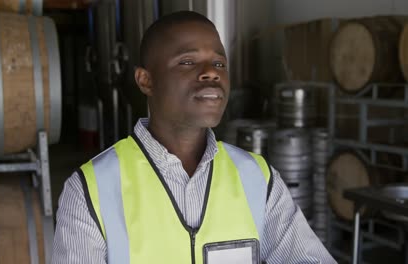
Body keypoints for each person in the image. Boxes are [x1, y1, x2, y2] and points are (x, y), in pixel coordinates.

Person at [52, 11, 336, 264]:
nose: (211, 73)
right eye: (187, 61)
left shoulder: (257, 178)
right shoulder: (90, 191)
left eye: (220, 64)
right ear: (145, 81)